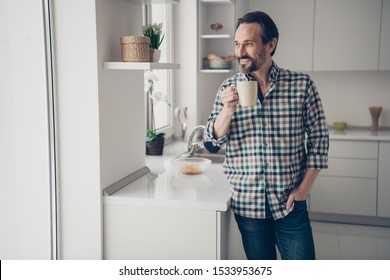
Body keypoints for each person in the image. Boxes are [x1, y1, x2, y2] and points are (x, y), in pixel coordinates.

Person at [204, 11, 329, 260]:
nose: (240, 52)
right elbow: (211, 142)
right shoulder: (227, 89)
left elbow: (319, 140)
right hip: (248, 205)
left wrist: (303, 190)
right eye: (237, 44)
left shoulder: (301, 85)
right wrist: (227, 111)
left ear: (270, 45)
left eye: (248, 43)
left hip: (290, 204)